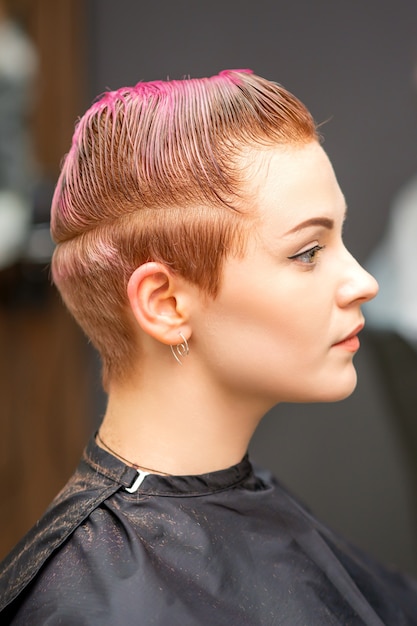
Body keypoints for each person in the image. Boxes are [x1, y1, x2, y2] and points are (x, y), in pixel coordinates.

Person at [0, 69, 416, 625]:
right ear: (166, 303)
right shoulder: (89, 606)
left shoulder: (253, 503)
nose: (364, 280)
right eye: (308, 252)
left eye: (340, 237)